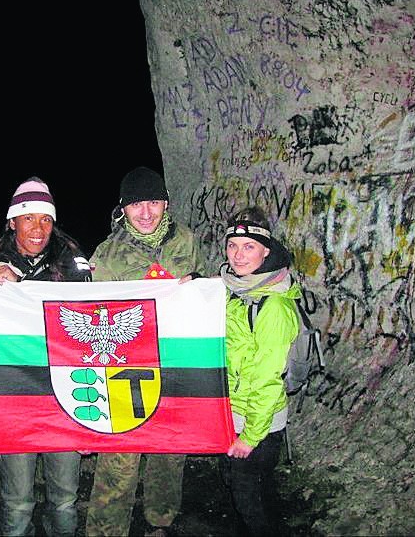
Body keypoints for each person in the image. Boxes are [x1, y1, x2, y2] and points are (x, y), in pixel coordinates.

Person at [0, 176, 92, 537]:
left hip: (67, 397)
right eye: (29, 218)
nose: (38, 228)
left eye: (45, 219)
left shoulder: (73, 261)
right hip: (13, 398)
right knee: (17, 500)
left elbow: (88, 326)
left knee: (64, 498)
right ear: (12, 221)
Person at [85, 166, 205, 537]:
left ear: (165, 202)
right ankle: (106, 530)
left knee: (169, 453)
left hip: (174, 364)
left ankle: (161, 521)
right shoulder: (107, 254)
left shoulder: (186, 240)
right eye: (137, 204)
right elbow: (93, 319)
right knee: (119, 461)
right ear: (123, 208)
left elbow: (202, 293)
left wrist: (198, 285)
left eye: (154, 202)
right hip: (125, 370)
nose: (147, 212)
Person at [218, 206, 301, 537]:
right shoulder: (237, 289)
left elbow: (268, 378)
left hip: (259, 422)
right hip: (234, 412)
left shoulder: (272, 306)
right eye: (232, 245)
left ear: (266, 251)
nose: (238, 256)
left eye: (248, 247)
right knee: (253, 493)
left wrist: (251, 436)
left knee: (248, 498)